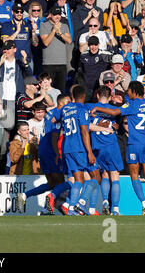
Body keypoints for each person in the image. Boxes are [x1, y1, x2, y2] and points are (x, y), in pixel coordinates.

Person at [91, 81, 145, 216]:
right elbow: (129, 100)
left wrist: (98, 109)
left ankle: (144, 203)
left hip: (135, 144)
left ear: (133, 91)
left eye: (129, 90)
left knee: (134, 174)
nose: (128, 92)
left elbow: (113, 111)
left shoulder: (131, 104)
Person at [57, 85, 102, 215]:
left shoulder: (65, 109)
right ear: (83, 96)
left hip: (67, 148)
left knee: (79, 179)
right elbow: (84, 131)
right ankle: (82, 203)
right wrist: (89, 152)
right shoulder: (82, 110)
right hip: (79, 148)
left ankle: (71, 209)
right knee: (96, 176)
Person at [85, 86, 124, 216]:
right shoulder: (115, 109)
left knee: (104, 175)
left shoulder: (88, 107)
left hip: (97, 146)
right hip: (111, 145)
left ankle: (105, 202)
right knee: (114, 176)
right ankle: (116, 209)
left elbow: (87, 126)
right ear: (110, 97)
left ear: (97, 95)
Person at [39, 6, 72, 92]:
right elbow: (46, 42)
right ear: (50, 15)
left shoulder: (64, 26)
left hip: (62, 63)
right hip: (49, 64)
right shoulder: (44, 25)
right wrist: (54, 30)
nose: (57, 17)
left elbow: (69, 41)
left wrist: (60, 33)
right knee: (48, 90)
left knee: (61, 90)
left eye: (59, 14)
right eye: (55, 15)